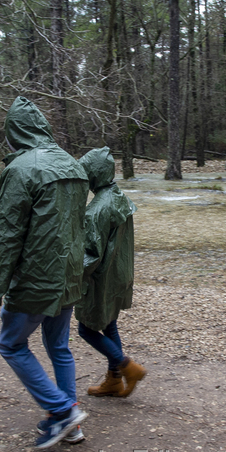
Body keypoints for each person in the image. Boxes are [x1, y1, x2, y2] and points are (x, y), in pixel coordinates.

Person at [0, 96, 90, 449]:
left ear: (15, 132)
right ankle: (70, 425)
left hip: (36, 279)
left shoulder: (19, 170)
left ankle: (62, 411)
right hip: (70, 275)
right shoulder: (73, 164)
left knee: (11, 344)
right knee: (59, 347)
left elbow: (6, 234)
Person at [75, 147, 146, 398]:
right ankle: (114, 380)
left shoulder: (95, 210)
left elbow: (90, 256)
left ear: (93, 175)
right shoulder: (120, 197)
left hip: (101, 281)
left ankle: (128, 367)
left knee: (86, 329)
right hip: (119, 275)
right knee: (110, 326)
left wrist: (71, 276)